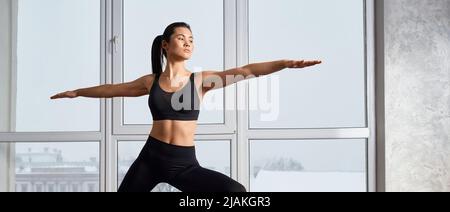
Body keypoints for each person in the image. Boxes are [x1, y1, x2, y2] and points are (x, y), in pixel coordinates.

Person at [51, 22, 322, 192]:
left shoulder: (201, 80)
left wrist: (284, 63)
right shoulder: (150, 81)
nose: (188, 42)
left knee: (235, 191)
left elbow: (246, 70)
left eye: (191, 39)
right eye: (182, 38)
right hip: (149, 159)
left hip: (183, 164)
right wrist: (77, 92)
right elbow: (112, 89)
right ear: (166, 45)